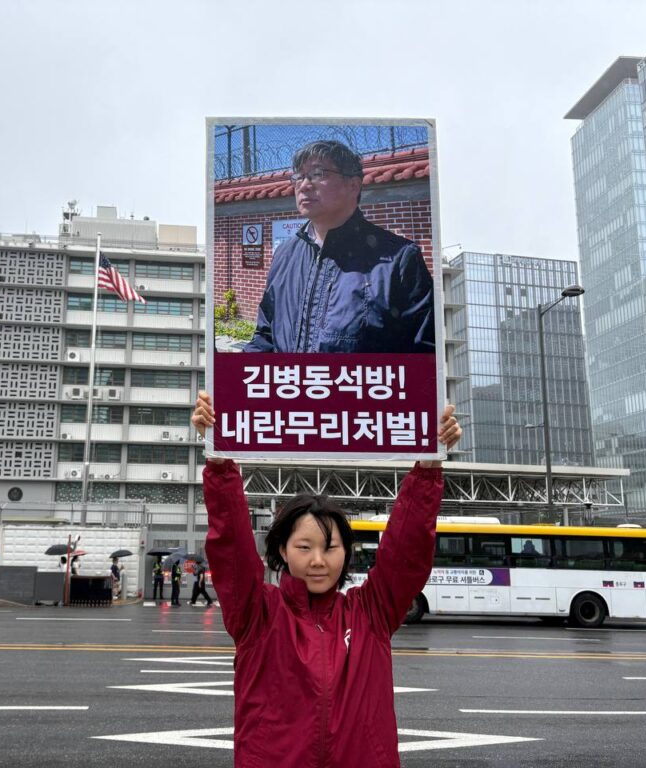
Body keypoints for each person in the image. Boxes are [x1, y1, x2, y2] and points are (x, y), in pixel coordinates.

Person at [192, 391, 460, 767]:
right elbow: (230, 544)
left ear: (346, 552)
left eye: (330, 547)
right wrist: (219, 464)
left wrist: (429, 466)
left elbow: (407, 551)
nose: (318, 561)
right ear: (282, 550)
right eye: (304, 547)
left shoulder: (372, 612)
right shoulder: (257, 613)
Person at [242, 139, 435, 354]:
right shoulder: (284, 254)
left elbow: (424, 357)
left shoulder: (399, 260)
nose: (304, 185)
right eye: (299, 176)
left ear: (353, 185)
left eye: (318, 174)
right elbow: (265, 336)